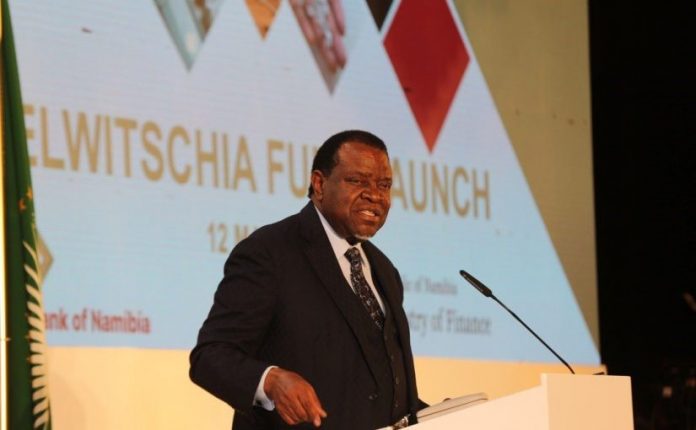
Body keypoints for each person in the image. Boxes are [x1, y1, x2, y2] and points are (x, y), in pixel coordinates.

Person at [190, 130, 424, 429]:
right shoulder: (269, 252)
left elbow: (377, 386)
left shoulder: (383, 268)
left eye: (384, 185)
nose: (375, 195)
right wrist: (270, 381)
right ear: (319, 184)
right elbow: (210, 357)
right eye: (357, 181)